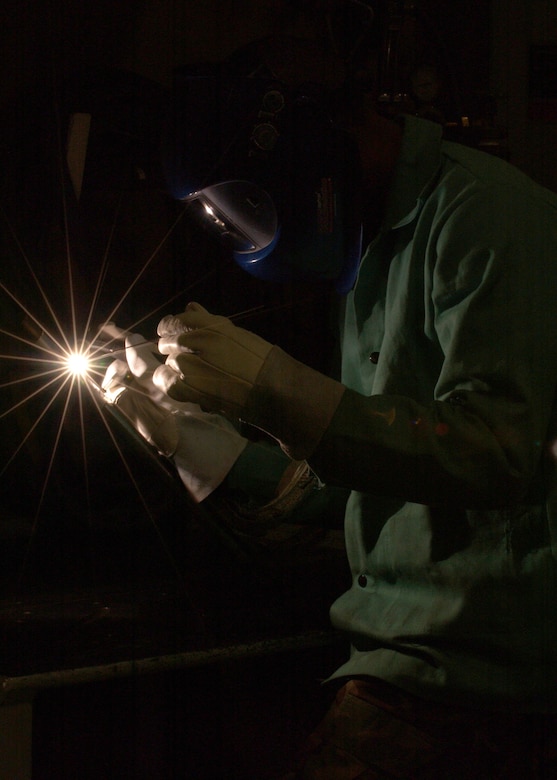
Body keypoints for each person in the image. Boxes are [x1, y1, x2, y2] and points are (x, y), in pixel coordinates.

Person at [104, 3, 557, 777]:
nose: (247, 231)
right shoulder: (368, 243)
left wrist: (276, 389)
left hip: (491, 681)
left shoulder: (489, 217)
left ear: (311, 147)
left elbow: (493, 457)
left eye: (245, 205)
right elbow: (356, 486)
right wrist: (201, 442)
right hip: (393, 659)